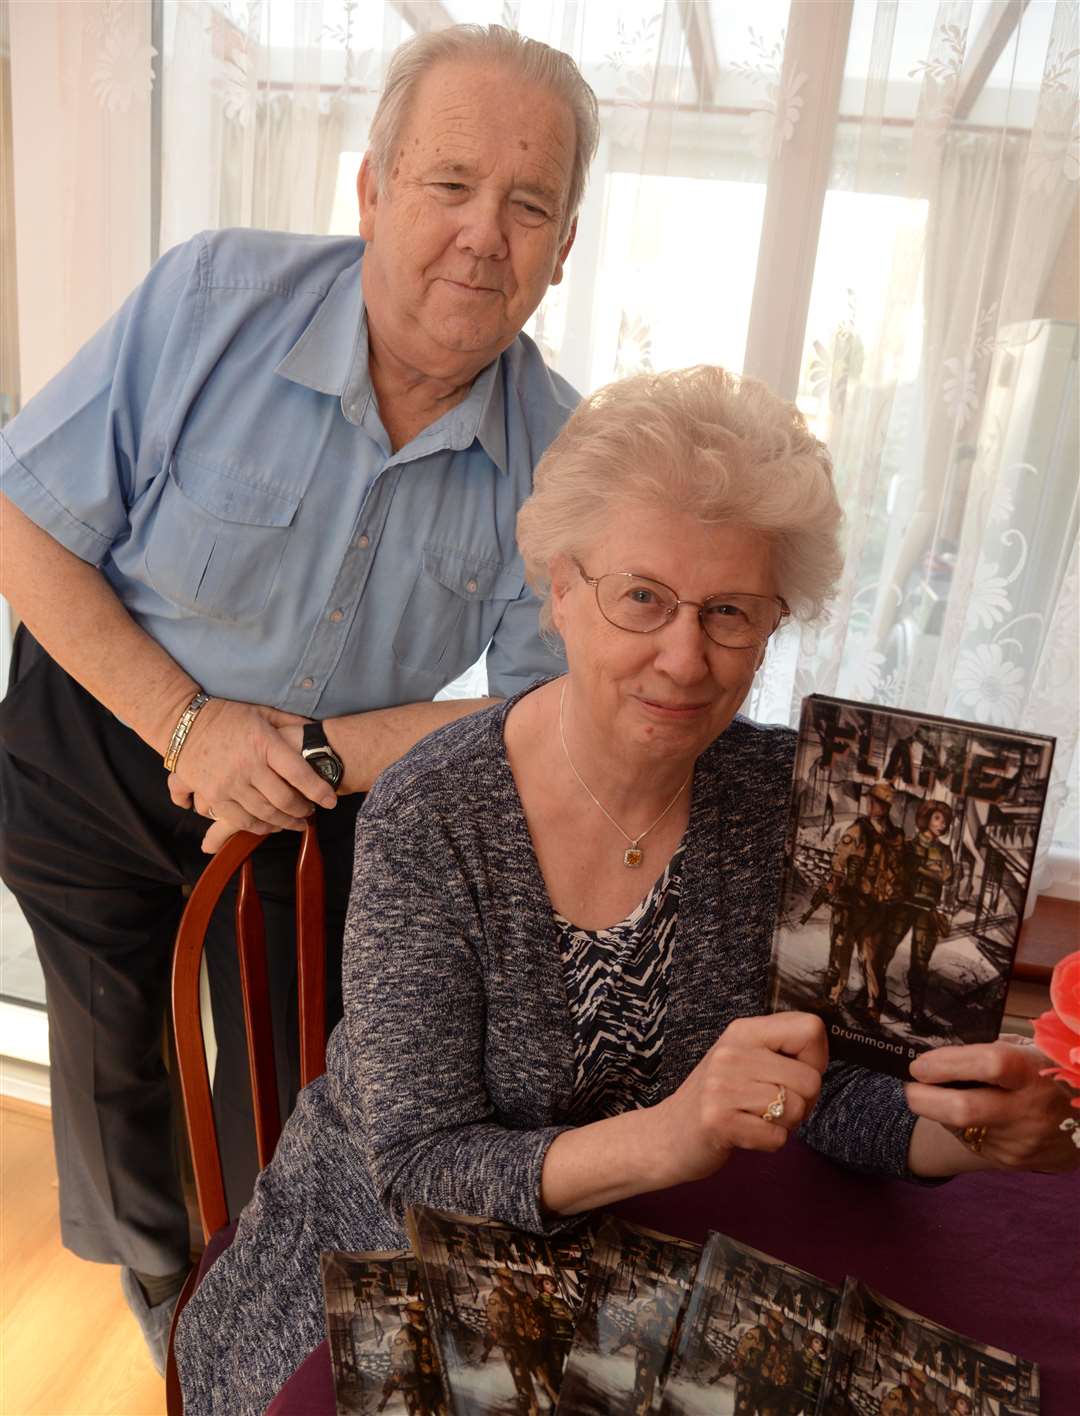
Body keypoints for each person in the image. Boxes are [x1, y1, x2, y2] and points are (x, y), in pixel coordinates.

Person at [175, 366, 1077, 1415]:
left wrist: (976, 1130)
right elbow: (421, 1165)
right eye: (643, 597)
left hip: (640, 1253)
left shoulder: (788, 796)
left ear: (774, 626)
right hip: (384, 1263)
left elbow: (826, 1093)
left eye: (730, 612)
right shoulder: (434, 814)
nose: (685, 658)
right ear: (560, 591)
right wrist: (674, 1135)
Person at [0, 23, 598, 1370]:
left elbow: (547, 715)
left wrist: (313, 755)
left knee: (288, 1090)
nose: (481, 236)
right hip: (104, 723)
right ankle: (161, 1289)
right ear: (372, 188)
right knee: (113, 1061)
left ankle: (255, 1293)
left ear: (565, 246)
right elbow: (24, 523)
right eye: (448, 184)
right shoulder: (212, 296)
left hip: (326, 788)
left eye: (529, 205)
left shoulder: (564, 456)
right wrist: (191, 725)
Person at [824, 782, 906, 1020]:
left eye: (877, 802)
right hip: (855, 900)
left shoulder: (894, 836)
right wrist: (835, 887)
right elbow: (839, 861)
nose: (871, 805)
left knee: (871, 957)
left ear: (886, 806)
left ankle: (873, 1007)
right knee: (842, 951)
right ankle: (833, 999)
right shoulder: (859, 829)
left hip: (879, 905)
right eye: (870, 800)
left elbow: (900, 871)